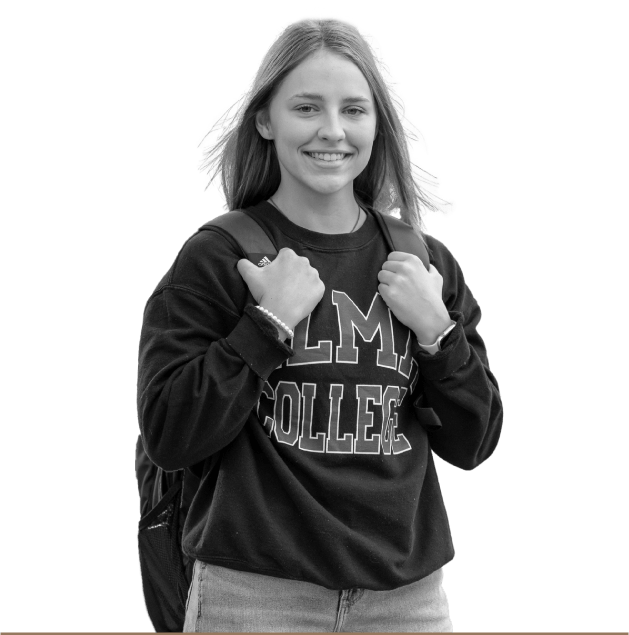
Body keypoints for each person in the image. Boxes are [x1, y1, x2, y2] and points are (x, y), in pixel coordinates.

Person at [136, 13, 504, 633]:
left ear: (377, 124)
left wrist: (440, 336)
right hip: (254, 596)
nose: (332, 131)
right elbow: (170, 435)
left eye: (354, 110)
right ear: (265, 119)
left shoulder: (426, 265)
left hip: (406, 603)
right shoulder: (218, 258)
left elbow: (474, 443)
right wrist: (265, 324)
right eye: (307, 107)